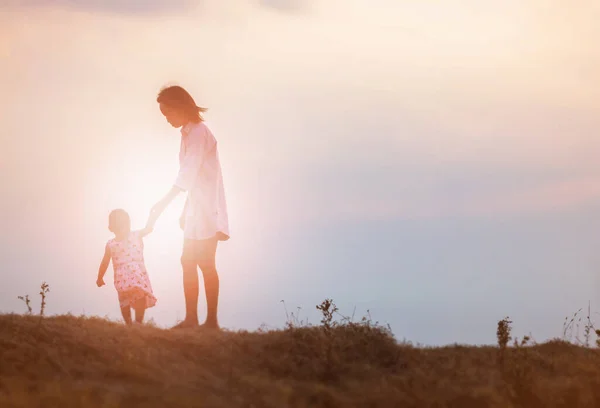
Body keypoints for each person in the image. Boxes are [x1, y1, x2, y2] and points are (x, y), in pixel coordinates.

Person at [148, 85, 229, 330]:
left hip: (208, 210)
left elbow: (189, 172)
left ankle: (211, 321)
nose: (167, 119)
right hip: (195, 209)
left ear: (180, 107)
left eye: (168, 113)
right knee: (187, 261)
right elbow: (193, 178)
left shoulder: (199, 133)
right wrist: (184, 209)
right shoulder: (187, 134)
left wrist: (163, 202)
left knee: (206, 263)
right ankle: (192, 319)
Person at [97, 209, 157, 325]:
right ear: (112, 228)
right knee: (124, 301)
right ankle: (129, 324)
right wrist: (100, 277)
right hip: (121, 278)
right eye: (118, 226)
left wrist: (152, 216)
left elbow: (148, 229)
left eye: (123, 225)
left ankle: (138, 323)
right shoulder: (111, 244)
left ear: (128, 225)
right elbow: (105, 261)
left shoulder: (136, 235)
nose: (122, 230)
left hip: (136, 275)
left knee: (139, 296)